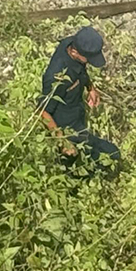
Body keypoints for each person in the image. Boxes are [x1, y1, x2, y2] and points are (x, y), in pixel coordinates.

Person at [37, 26, 120, 175]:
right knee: (106, 160)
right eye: (88, 59)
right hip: (67, 130)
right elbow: (42, 111)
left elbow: (81, 69)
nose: (89, 62)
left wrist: (90, 88)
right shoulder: (56, 77)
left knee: (112, 153)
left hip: (78, 121)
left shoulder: (72, 44)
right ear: (75, 52)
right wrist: (63, 142)